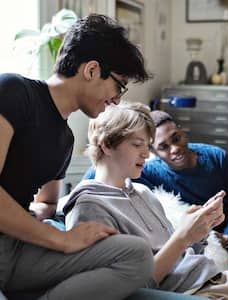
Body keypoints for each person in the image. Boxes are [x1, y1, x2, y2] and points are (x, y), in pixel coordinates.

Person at [0, 14, 154, 300]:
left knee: (137, 254)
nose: (117, 100)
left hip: (19, 247)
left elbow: (46, 201)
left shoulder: (65, 139)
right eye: (119, 86)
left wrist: (57, 225)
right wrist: (61, 239)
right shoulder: (14, 92)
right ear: (92, 70)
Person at [65, 102, 228, 300]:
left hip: (221, 278)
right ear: (107, 145)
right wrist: (182, 236)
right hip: (191, 293)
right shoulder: (89, 208)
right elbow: (132, 287)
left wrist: (200, 230)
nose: (146, 154)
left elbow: (184, 255)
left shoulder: (143, 192)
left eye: (147, 145)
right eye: (137, 144)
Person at [83, 108, 228, 267]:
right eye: (164, 147)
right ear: (154, 152)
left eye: (176, 138)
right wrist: (66, 202)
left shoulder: (215, 156)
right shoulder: (149, 172)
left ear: (182, 131)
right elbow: (98, 170)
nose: (175, 149)